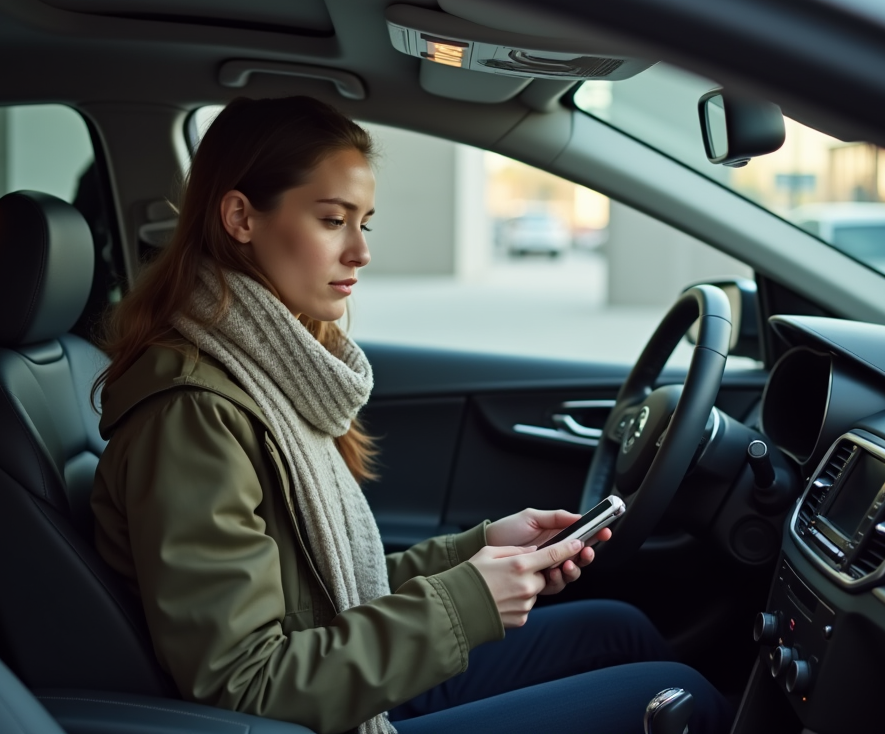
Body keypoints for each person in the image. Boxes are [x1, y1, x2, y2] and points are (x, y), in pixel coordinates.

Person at [90, 96, 732, 734]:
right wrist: (471, 601)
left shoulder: (269, 375)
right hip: (304, 717)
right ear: (240, 217)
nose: (360, 252)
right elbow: (246, 683)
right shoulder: (193, 416)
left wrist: (479, 551)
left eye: (364, 222)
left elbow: (328, 589)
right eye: (332, 220)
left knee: (616, 628)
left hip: (336, 683)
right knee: (679, 697)